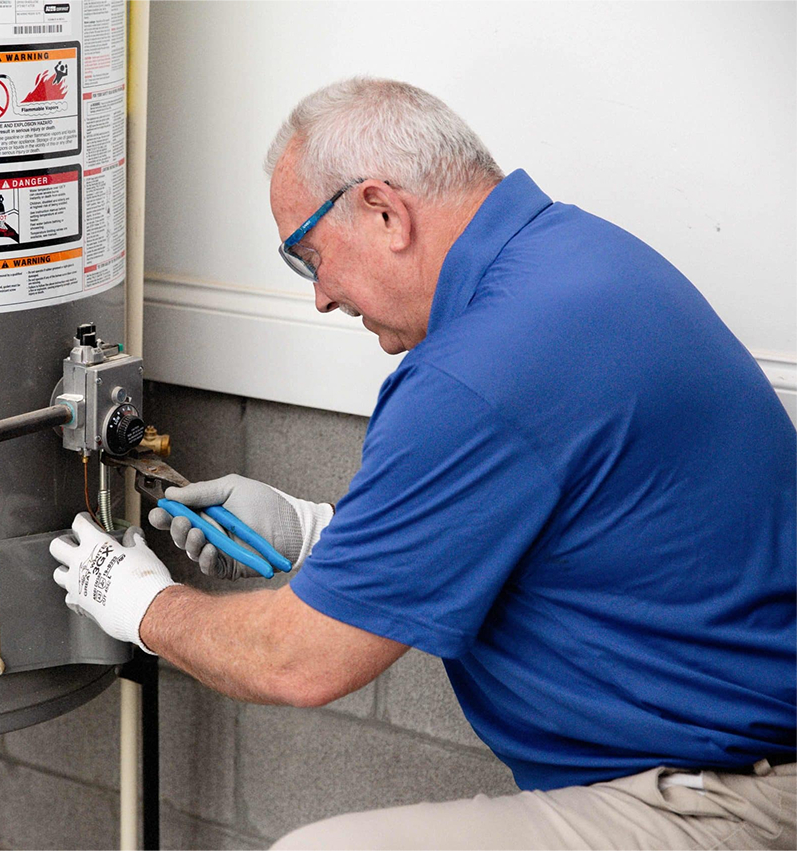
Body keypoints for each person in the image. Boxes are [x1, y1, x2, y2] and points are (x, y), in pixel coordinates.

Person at [50, 77, 796, 849]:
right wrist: (318, 533)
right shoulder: (574, 260)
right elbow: (559, 525)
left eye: (309, 257)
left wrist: (141, 604)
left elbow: (298, 663)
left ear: (383, 210)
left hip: (720, 798)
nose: (320, 298)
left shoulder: (478, 370)